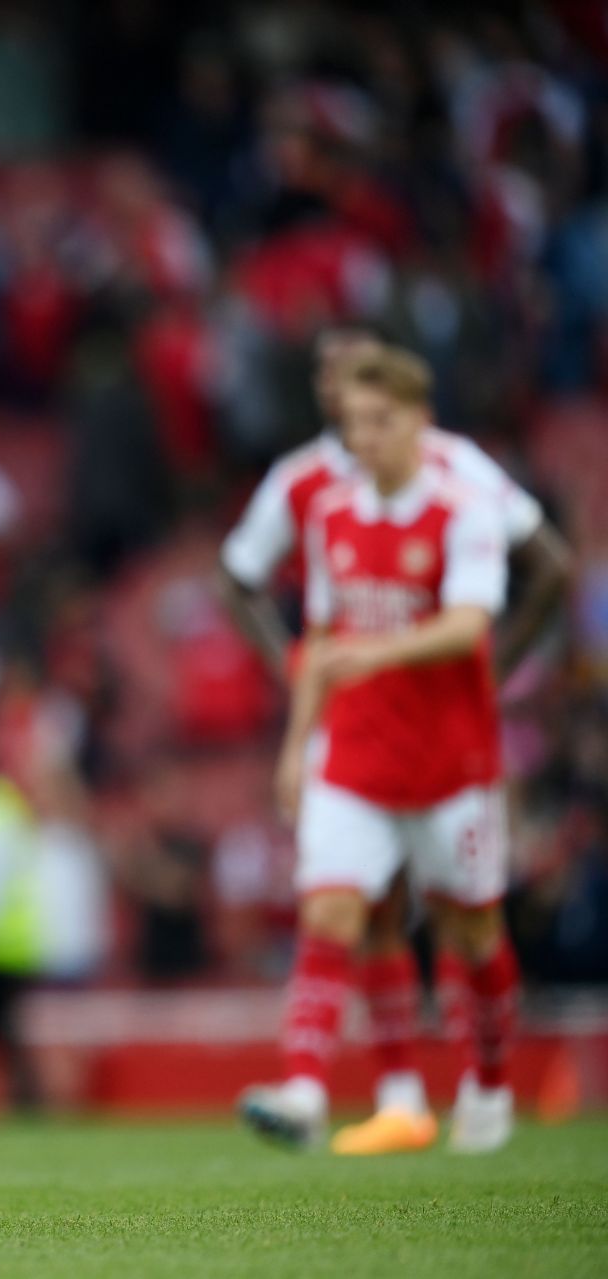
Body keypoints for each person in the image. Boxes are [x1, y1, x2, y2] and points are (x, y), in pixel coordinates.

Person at [218, 326, 569, 1155]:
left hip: (451, 756)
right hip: (356, 744)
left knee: (470, 926)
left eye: (373, 411)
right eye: (346, 406)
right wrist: (297, 734)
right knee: (335, 906)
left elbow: (476, 617)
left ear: (413, 415)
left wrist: (482, 673)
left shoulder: (465, 491)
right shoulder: (320, 499)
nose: (355, 426)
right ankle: (312, 1091)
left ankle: (486, 1082)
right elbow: (320, 628)